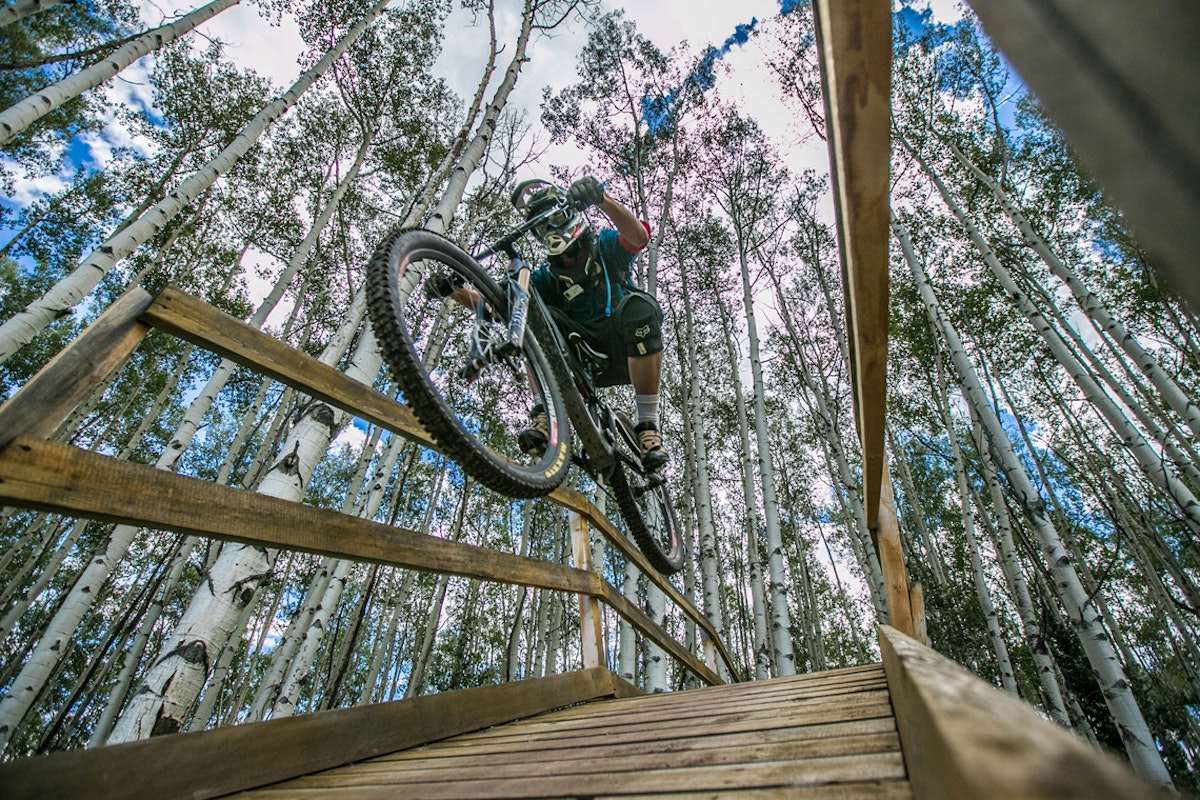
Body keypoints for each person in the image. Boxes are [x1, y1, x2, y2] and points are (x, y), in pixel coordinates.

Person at [512, 176, 669, 472]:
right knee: (527, 307)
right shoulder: (546, 278)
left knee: (639, 307)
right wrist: (455, 290)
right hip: (578, 357)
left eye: (555, 218)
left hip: (624, 347)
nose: (552, 229)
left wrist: (600, 198)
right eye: (543, 227)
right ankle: (543, 413)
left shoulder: (604, 246)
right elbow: (502, 306)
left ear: (570, 214)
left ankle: (648, 427)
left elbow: (639, 238)